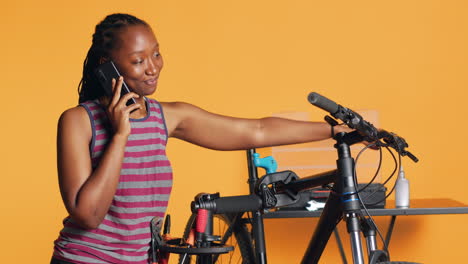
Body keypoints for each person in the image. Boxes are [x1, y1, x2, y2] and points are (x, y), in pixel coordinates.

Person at [51, 13, 353, 264]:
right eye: (138, 60)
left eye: (156, 53)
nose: (153, 67)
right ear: (108, 65)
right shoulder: (79, 122)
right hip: (83, 259)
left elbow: (256, 130)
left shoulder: (165, 117)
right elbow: (88, 215)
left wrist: (333, 130)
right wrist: (119, 136)